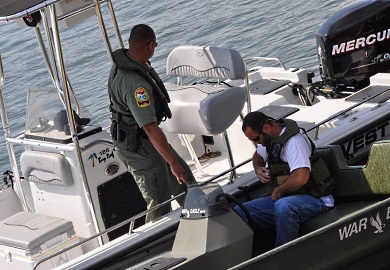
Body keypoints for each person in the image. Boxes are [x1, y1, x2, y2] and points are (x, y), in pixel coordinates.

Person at [107, 24, 195, 223]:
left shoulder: (123, 63)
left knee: (187, 182)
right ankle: (154, 241)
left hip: (145, 141)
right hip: (139, 147)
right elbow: (149, 127)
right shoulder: (136, 85)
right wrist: (172, 162)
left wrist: (173, 163)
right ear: (150, 45)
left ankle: (197, 217)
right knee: (159, 199)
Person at [235, 111, 335, 247]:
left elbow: (301, 177)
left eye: (256, 139)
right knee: (240, 212)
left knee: (284, 206)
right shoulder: (269, 140)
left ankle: (283, 256)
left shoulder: (294, 142)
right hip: (287, 197)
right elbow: (258, 156)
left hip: (316, 199)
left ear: (266, 128)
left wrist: (280, 190)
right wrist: (258, 168)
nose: (256, 143)